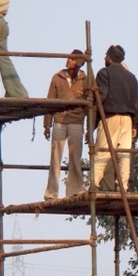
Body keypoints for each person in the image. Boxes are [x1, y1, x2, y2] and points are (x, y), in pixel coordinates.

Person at [93, 45, 138, 192]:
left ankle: (94, 183)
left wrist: (92, 124)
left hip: (110, 118)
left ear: (110, 58)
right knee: (124, 155)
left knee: (103, 152)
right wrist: (136, 125)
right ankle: (123, 186)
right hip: (128, 120)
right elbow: (137, 104)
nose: (104, 58)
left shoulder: (104, 73)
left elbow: (101, 98)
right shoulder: (131, 77)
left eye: (106, 55)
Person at [43, 50, 87, 201]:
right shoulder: (57, 77)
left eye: (72, 59)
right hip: (59, 121)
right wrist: (47, 124)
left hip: (76, 122)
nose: (68, 60)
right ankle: (51, 193)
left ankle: (75, 191)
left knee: (75, 158)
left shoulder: (86, 80)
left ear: (78, 62)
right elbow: (49, 101)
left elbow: (91, 104)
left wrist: (88, 128)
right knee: (55, 158)